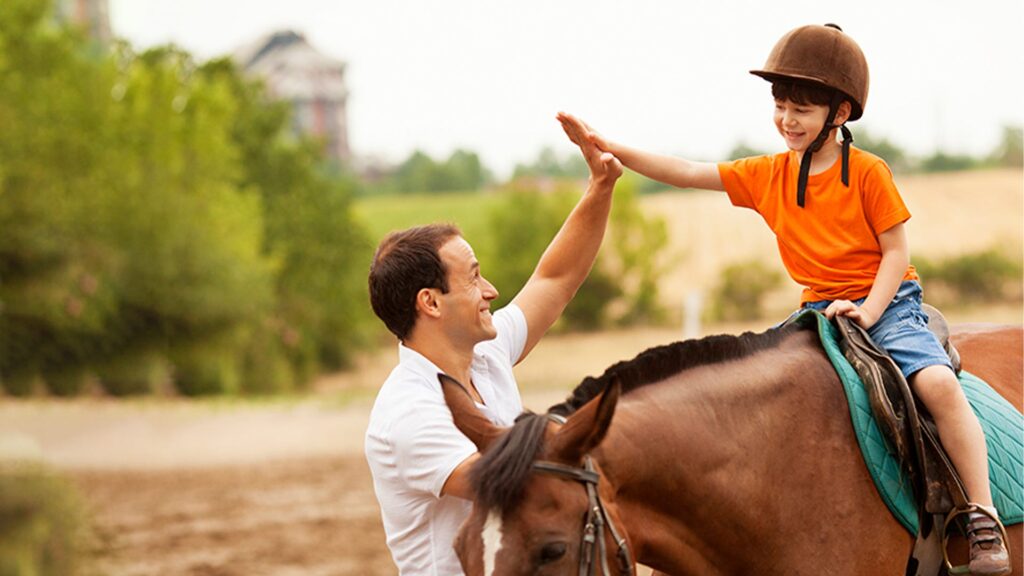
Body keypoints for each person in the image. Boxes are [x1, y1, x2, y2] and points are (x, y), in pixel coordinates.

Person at [559, 23, 1010, 576]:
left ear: (839, 114)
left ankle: (982, 513)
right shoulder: (768, 174)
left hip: (885, 304)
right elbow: (684, 171)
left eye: (801, 109)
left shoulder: (868, 172)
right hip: (815, 310)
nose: (787, 120)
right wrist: (606, 147)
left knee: (937, 383)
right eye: (780, 106)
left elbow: (895, 254)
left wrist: (868, 311)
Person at [364, 113, 623, 574]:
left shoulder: (485, 355)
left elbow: (556, 278)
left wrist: (601, 186)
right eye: (475, 277)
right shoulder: (408, 411)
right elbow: (512, 482)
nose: (491, 291)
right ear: (431, 303)